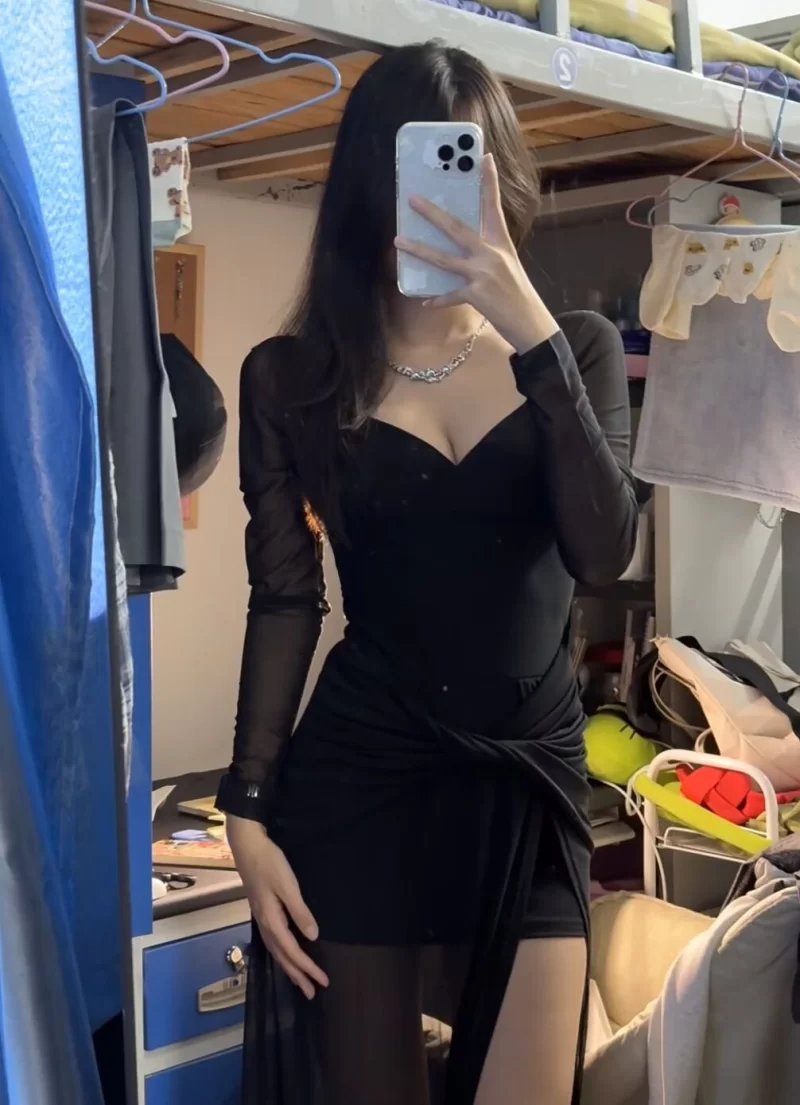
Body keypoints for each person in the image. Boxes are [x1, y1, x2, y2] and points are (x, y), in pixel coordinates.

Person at [216, 40, 638, 1105]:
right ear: (371, 182)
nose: (446, 203)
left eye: (470, 169)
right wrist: (246, 809)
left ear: (504, 182)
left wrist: (527, 323)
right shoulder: (293, 377)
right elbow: (286, 596)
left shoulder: (577, 350)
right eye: (423, 169)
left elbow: (603, 554)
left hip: (529, 782)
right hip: (363, 781)